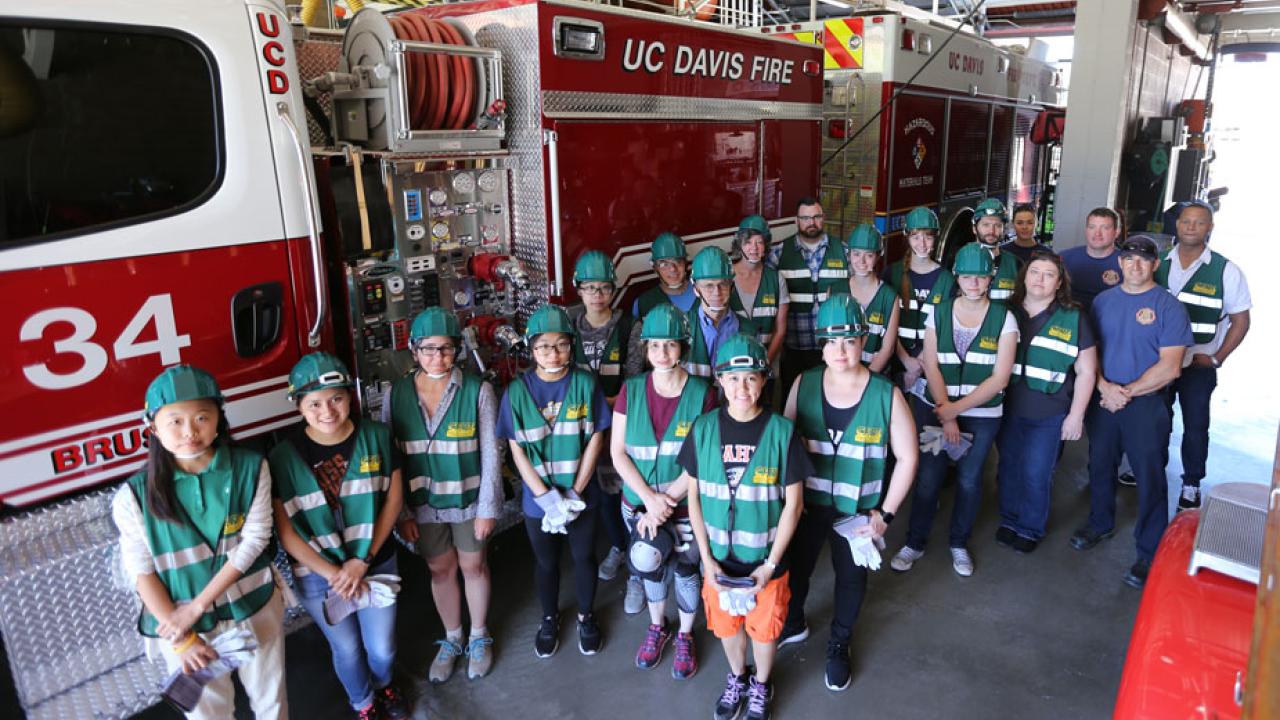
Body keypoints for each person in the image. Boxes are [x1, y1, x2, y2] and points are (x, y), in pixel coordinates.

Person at [112, 365, 288, 720]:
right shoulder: (133, 496)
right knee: (210, 715)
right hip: (183, 627)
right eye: (174, 421)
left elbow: (256, 539)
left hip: (252, 605)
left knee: (272, 704)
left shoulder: (252, 467)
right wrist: (183, 637)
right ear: (152, 428)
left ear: (219, 419)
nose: (189, 432)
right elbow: (139, 570)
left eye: (201, 417)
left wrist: (197, 606)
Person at [777, 294, 918, 691]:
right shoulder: (803, 383)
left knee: (850, 580)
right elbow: (784, 446)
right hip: (806, 506)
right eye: (831, 341)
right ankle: (795, 621)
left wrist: (885, 515)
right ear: (820, 344)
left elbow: (907, 458)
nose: (840, 350)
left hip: (858, 513)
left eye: (849, 341)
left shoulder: (885, 394)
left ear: (863, 341)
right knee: (797, 571)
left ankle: (839, 642)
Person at [271, 354, 409, 719]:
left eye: (336, 398)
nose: (327, 410)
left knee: (382, 647)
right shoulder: (283, 458)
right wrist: (336, 574)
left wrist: (361, 562)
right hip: (319, 576)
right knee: (346, 649)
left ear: (350, 397)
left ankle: (384, 686)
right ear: (299, 407)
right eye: (313, 403)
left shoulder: (377, 437)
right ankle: (363, 703)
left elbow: (393, 501)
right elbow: (286, 531)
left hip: (375, 561)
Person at [680, 334, 809, 720]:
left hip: (764, 565)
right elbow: (694, 499)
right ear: (719, 380)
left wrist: (769, 565)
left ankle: (761, 684)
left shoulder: (782, 432)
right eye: (733, 378)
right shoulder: (703, 429)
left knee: (764, 631)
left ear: (765, 380)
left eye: (751, 377)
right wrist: (706, 559)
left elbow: (794, 505)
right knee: (726, 627)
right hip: (718, 561)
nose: (742, 387)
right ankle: (738, 676)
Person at [383, 308, 502, 683]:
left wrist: (488, 508)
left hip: (468, 501)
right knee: (440, 569)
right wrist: (401, 512)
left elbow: (491, 453)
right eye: (429, 349)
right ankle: (453, 637)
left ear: (458, 351)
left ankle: (479, 636)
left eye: (447, 349)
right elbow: (392, 458)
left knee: (473, 567)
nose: (439, 358)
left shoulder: (477, 390)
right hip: (423, 505)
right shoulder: (396, 394)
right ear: (414, 350)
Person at [1070, 235, 1192, 589]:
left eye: (1143, 260)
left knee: (1150, 475)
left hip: (1146, 403)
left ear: (1155, 265)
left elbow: (1170, 368)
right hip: (1105, 397)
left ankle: (1150, 550)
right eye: (1128, 259)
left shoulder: (1169, 307)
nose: (1135, 265)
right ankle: (1099, 522)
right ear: (1119, 263)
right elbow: (1089, 354)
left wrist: (1127, 392)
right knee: (1100, 464)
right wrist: (1105, 387)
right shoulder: (1104, 302)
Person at [890, 243, 1018, 577]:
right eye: (966, 276)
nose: (973, 283)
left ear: (990, 279)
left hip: (982, 415)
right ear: (956, 277)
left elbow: (1000, 378)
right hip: (936, 407)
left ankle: (958, 543)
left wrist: (954, 411)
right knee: (929, 478)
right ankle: (915, 542)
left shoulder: (1004, 318)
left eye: (980, 277)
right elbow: (930, 363)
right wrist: (945, 409)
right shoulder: (940, 312)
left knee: (969, 480)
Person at [610, 304, 718, 679]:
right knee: (649, 566)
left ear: (683, 347)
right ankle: (658, 626)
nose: (662, 354)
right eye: (654, 346)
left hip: (685, 506)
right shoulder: (631, 390)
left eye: (670, 346)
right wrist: (650, 502)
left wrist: (666, 502)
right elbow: (618, 452)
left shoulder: (703, 394)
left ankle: (686, 633)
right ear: (646, 348)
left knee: (687, 569)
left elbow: (704, 460)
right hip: (639, 504)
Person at [498, 305, 611, 656]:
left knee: (583, 557)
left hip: (582, 495)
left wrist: (575, 492)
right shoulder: (516, 392)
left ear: (571, 346)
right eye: (544, 346)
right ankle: (549, 618)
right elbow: (516, 450)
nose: (553, 353)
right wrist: (546, 498)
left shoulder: (584, 383)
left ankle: (586, 615)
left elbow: (595, 438)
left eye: (561, 344)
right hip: (538, 501)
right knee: (546, 562)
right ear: (531, 350)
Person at [995, 254, 1097, 553]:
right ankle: (1010, 519)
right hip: (1007, 408)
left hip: (1049, 414)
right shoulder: (1004, 312)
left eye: (1048, 274)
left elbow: (1086, 371)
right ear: (1024, 277)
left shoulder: (1073, 317)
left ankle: (1029, 527)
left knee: (1037, 472)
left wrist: (1076, 416)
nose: (1039, 279)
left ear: (1060, 282)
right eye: (1034, 272)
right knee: (1008, 467)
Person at [1155, 201, 1251, 509]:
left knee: (1196, 425)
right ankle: (1148, 469)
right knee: (1155, 418)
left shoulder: (1226, 270)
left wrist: (1217, 358)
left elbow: (1241, 320)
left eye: (1199, 223)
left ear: (1209, 228)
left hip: (1198, 363)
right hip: (1159, 362)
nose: (1191, 227)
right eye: (1186, 221)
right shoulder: (1158, 263)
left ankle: (1191, 483)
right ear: (1177, 225)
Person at [566, 251, 641, 613]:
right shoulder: (566, 325)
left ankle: (633, 558)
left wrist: (605, 406)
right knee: (589, 489)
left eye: (604, 288)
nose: (597, 294)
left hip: (616, 426)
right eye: (590, 288)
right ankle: (617, 545)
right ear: (578, 290)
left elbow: (633, 378)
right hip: (577, 429)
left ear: (614, 290)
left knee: (617, 492)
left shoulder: (629, 327)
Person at [768, 197, 849, 397]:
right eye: (805, 217)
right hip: (794, 349)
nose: (811, 222)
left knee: (831, 402)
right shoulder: (778, 254)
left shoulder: (845, 252)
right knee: (793, 401)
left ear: (824, 218)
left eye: (816, 217)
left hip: (833, 349)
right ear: (796, 221)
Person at [887, 206, 956, 391]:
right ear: (907, 237)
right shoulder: (892, 273)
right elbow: (885, 324)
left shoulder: (947, 280)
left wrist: (919, 365)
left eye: (928, 236)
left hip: (931, 364)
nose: (922, 243)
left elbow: (944, 327)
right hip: (895, 360)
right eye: (916, 237)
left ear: (936, 238)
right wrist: (906, 361)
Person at [627, 231, 698, 376]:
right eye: (664, 264)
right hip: (660, 379)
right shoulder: (644, 303)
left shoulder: (704, 293)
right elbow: (637, 355)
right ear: (655, 268)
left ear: (686, 264)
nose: (672, 269)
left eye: (678, 262)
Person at [686, 246, 756, 378]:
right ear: (695, 289)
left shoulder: (749, 331)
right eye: (708, 286)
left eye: (723, 284)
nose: (717, 293)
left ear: (732, 287)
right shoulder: (682, 328)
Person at [731, 214, 789, 367]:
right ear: (739, 245)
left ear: (766, 247)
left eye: (759, 242)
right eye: (748, 242)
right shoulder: (725, 276)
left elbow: (780, 330)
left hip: (766, 364)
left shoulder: (776, 279)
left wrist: (764, 364)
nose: (754, 248)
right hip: (730, 365)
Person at [844, 223, 901, 373]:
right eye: (856, 254)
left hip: (874, 377)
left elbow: (887, 349)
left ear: (877, 256)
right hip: (841, 375)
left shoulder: (889, 297)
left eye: (868, 255)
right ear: (849, 254)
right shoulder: (836, 290)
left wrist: (863, 381)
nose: (861, 261)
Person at [1060, 207, 1124, 313]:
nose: (1097, 233)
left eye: (1105, 228)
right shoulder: (1064, 258)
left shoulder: (1128, 264)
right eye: (1092, 227)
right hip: (1071, 320)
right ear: (1086, 230)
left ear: (1116, 232)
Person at [972, 198, 1020, 301]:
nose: (991, 231)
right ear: (974, 228)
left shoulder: (1015, 264)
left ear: (1004, 229)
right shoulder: (958, 262)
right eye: (986, 225)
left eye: (998, 225)